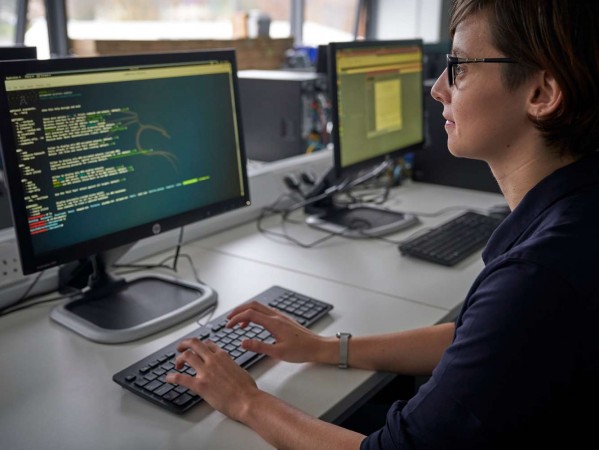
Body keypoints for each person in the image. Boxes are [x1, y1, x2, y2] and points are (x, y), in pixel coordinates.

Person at [166, 0, 599, 448]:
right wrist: (325, 348)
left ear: (542, 94)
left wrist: (244, 401)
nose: (437, 88)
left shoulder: (538, 276)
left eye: (460, 67)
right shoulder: (575, 214)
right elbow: (480, 341)